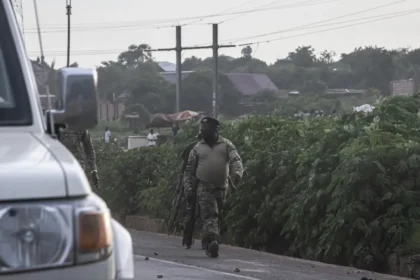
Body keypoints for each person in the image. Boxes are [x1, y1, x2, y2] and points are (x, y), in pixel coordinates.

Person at [183, 116, 243, 258]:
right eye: (202, 129)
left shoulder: (226, 145)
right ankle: (212, 242)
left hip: (222, 188)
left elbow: (236, 160)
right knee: (210, 214)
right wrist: (188, 188)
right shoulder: (198, 148)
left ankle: (208, 241)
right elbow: (188, 171)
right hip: (204, 186)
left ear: (216, 130)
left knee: (217, 216)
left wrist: (237, 174)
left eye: (206, 128)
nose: (203, 131)